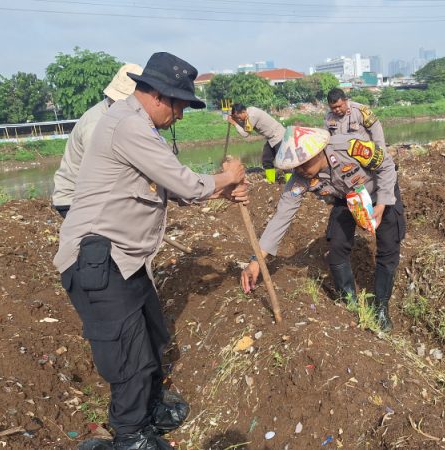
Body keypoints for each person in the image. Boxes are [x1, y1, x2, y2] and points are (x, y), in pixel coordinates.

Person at [53, 52, 248, 450]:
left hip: (126, 258)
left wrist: (222, 190)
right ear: (160, 96)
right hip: (99, 261)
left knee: (153, 336)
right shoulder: (127, 125)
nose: (180, 116)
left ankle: (148, 409)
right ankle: (130, 437)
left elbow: (172, 187)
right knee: (129, 358)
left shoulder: (137, 123)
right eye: (180, 106)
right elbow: (186, 183)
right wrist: (229, 176)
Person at [240, 126, 405, 332]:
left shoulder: (350, 147)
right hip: (347, 200)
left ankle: (381, 307)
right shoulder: (300, 179)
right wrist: (257, 260)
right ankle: (349, 302)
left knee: (389, 248)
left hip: (380, 192)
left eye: (303, 164)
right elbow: (281, 216)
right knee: (336, 247)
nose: (299, 170)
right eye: (295, 167)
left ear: (318, 151)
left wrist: (382, 203)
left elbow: (387, 165)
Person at [51, 63, 143, 218]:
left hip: (94, 196)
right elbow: (98, 174)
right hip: (75, 199)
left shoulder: (117, 115)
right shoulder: (96, 125)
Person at [227, 103, 287, 183]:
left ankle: (290, 182)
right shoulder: (249, 112)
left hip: (279, 136)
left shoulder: (252, 116)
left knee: (284, 161)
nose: (239, 119)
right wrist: (235, 120)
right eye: (237, 118)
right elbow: (245, 126)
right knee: (267, 160)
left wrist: (234, 123)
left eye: (238, 117)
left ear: (243, 112)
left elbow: (245, 134)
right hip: (271, 138)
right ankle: (271, 181)